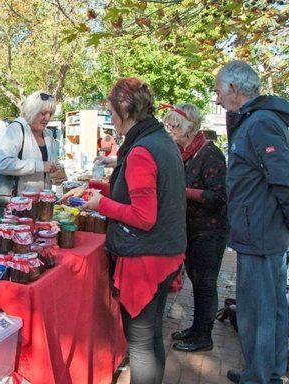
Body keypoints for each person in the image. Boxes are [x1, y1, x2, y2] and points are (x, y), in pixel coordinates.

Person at [64, 78, 187, 384]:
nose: (111, 119)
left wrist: (101, 203)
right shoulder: (158, 140)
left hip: (147, 257)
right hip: (163, 252)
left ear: (125, 110)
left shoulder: (143, 149)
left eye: (111, 111)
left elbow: (143, 216)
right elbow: (135, 190)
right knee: (151, 337)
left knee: (142, 344)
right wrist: (94, 187)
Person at [215, 61, 289, 384]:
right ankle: (267, 371)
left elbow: (283, 177)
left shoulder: (260, 123)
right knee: (270, 308)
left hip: (260, 234)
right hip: (261, 231)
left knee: (259, 311)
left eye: (219, 90)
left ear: (234, 89)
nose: (217, 99)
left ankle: (259, 377)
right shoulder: (255, 120)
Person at [163, 103, 228, 352]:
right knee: (197, 280)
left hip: (209, 231)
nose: (170, 130)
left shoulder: (209, 153)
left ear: (189, 127)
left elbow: (218, 196)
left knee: (205, 284)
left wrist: (182, 192)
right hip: (192, 228)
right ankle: (197, 329)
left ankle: (204, 336)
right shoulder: (185, 153)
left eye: (174, 125)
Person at [0, 91, 65, 194]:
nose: (47, 118)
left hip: (42, 203)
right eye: (43, 113)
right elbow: (4, 164)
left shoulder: (48, 134)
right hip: (17, 203)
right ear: (32, 111)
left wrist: (58, 173)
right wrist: (40, 166)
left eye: (50, 113)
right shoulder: (16, 129)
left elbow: (51, 166)